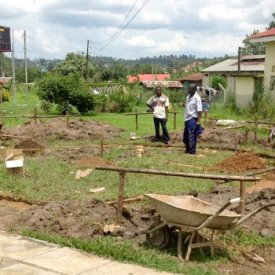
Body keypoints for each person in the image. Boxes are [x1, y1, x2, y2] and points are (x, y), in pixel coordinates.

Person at [183, 84, 202, 154]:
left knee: (191, 136)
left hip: (192, 119)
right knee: (185, 136)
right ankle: (187, 149)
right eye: (188, 88)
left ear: (194, 90)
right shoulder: (188, 96)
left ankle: (192, 151)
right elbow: (188, 105)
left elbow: (200, 110)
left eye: (190, 89)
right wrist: (184, 105)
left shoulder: (197, 98)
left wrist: (199, 121)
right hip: (187, 118)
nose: (188, 90)